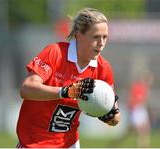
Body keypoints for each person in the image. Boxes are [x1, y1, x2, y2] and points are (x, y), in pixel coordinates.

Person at [16, 8, 120, 148]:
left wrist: (108, 115)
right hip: (34, 142)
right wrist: (64, 92)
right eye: (96, 37)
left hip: (69, 143)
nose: (101, 43)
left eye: (105, 37)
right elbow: (26, 89)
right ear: (79, 35)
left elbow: (114, 119)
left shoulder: (103, 68)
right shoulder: (55, 53)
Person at [127, 72, 153, 147]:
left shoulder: (146, 88)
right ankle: (142, 144)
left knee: (146, 128)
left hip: (141, 108)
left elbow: (144, 100)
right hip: (136, 109)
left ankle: (145, 144)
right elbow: (133, 99)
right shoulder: (137, 87)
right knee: (140, 130)